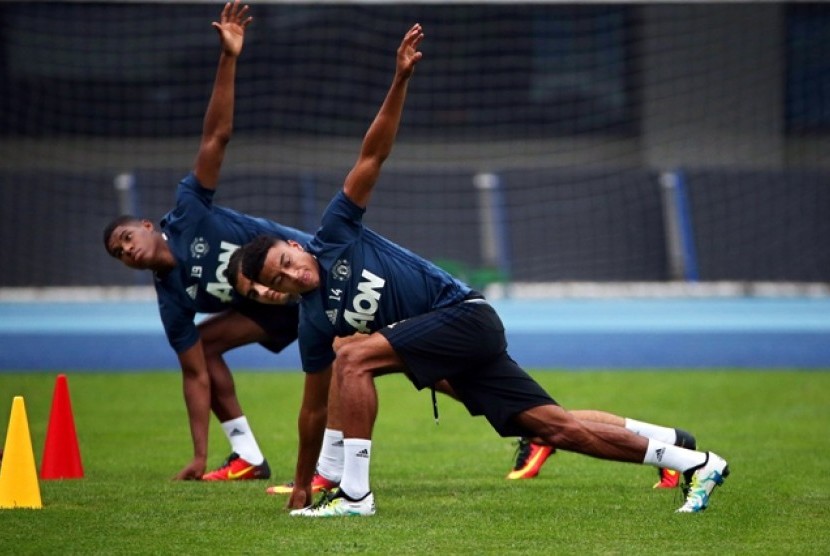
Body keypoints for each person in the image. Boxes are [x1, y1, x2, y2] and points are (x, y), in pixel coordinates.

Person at [236, 23, 729, 517]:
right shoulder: (315, 320)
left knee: (355, 358)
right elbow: (313, 410)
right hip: (450, 354)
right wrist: (300, 482)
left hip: (465, 317)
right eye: (279, 280)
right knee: (553, 428)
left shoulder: (336, 232)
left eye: (287, 262)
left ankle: (355, 497)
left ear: (294, 245)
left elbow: (374, 153)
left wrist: (400, 79)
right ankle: (693, 460)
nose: (293, 275)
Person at [226, 249, 697, 491]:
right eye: (259, 292)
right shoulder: (309, 301)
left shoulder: (326, 259)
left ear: (288, 253)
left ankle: (346, 485)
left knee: (549, 422)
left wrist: (315, 475)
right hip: (426, 343)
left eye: (265, 284)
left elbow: (332, 384)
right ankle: (671, 444)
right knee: (549, 419)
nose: (268, 293)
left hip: (443, 331)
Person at [102, 0, 311, 482]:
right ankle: (247, 456)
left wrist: (229, 57)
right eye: (119, 252)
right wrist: (197, 454)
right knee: (206, 348)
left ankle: (517, 421)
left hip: (307, 274)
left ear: (149, 225)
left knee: (391, 352)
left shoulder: (189, 210)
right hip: (270, 308)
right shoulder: (170, 298)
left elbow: (216, 137)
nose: (127, 250)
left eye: (127, 237)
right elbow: (194, 375)